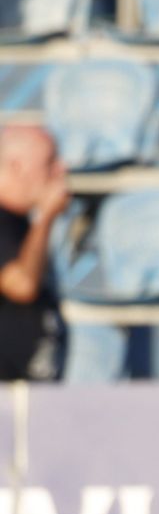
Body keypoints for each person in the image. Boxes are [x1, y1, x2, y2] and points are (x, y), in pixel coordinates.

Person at [0, 125, 69, 381]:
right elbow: (21, 285)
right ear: (17, 166)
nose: (61, 170)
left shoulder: (20, 224)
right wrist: (47, 217)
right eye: (50, 162)